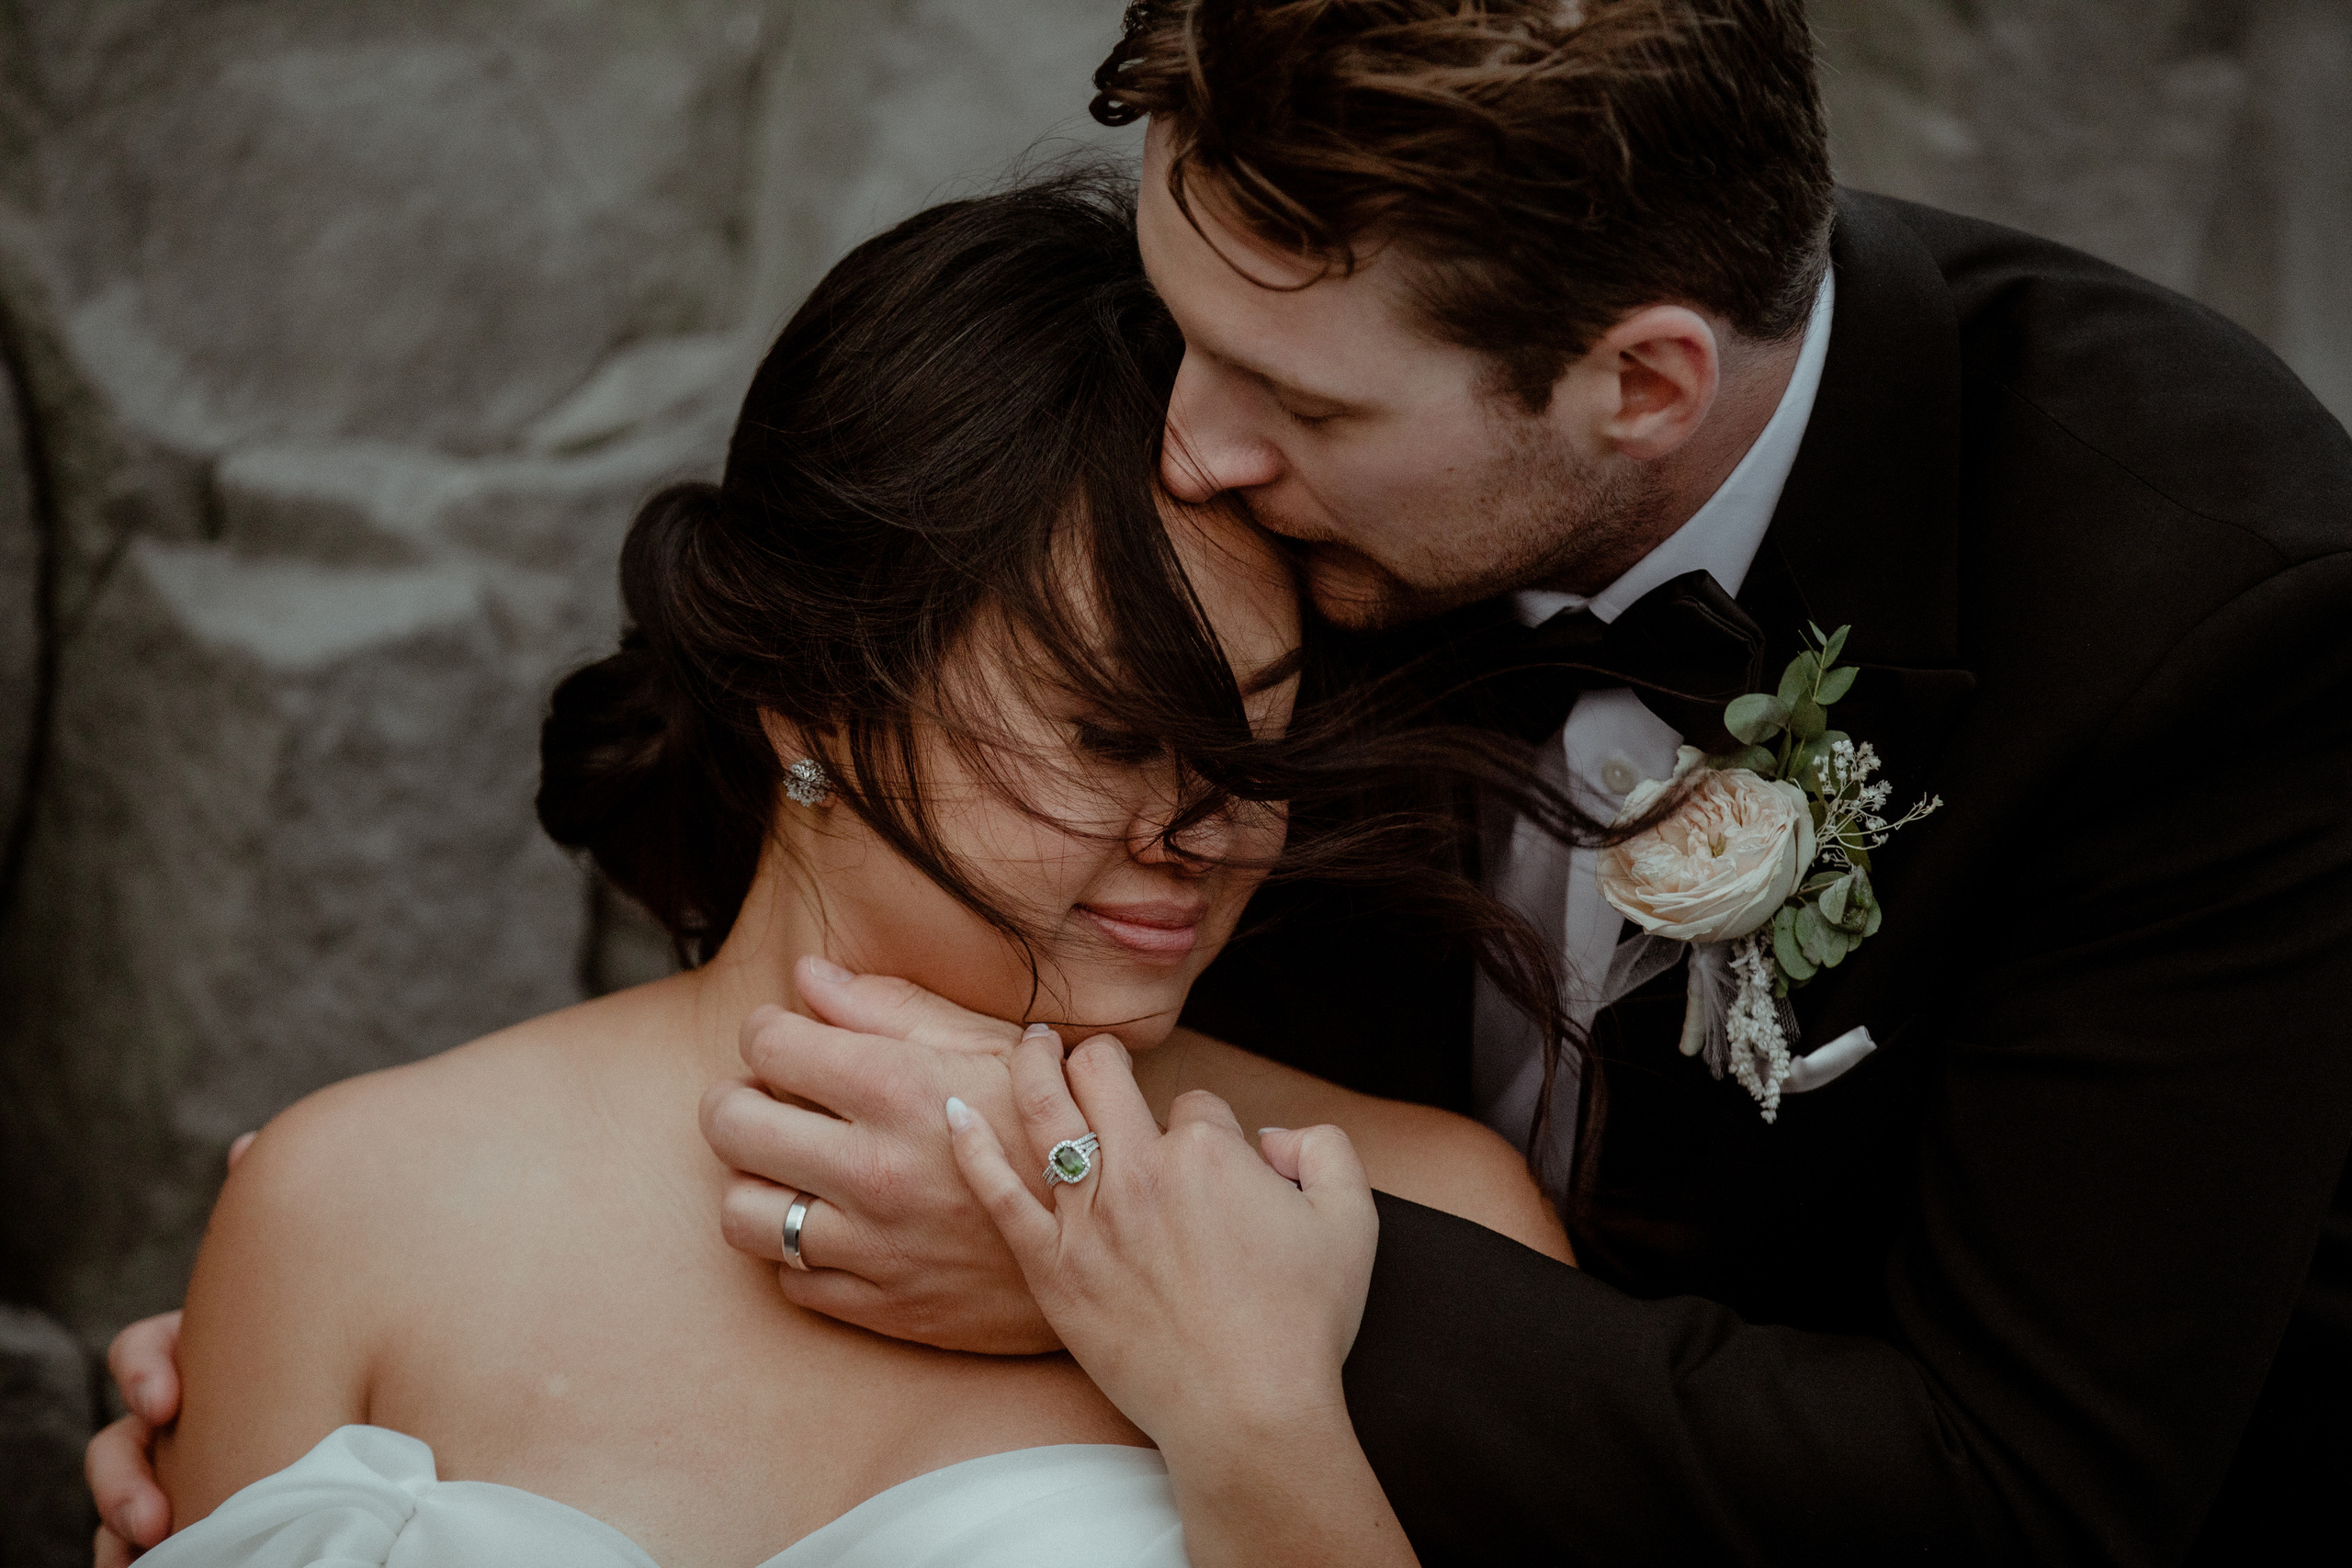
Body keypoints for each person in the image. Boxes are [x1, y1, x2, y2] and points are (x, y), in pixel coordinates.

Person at [98, 1, 2352, 1562]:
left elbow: (2020, 1497)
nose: (1184, 444)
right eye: (1185, 330)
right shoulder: (1294, 476)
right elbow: (884, 736)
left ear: (1638, 388)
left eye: (1293, 400)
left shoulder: (2201, 616)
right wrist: (397, 1346)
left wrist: (1141, 1260)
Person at [98, 174, 1577, 1566]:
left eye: (1258, 743)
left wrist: (1243, 1406)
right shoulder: (350, 1204)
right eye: (1111, 736)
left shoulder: (1420, 1219)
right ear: (809, 689)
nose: (1207, 827)